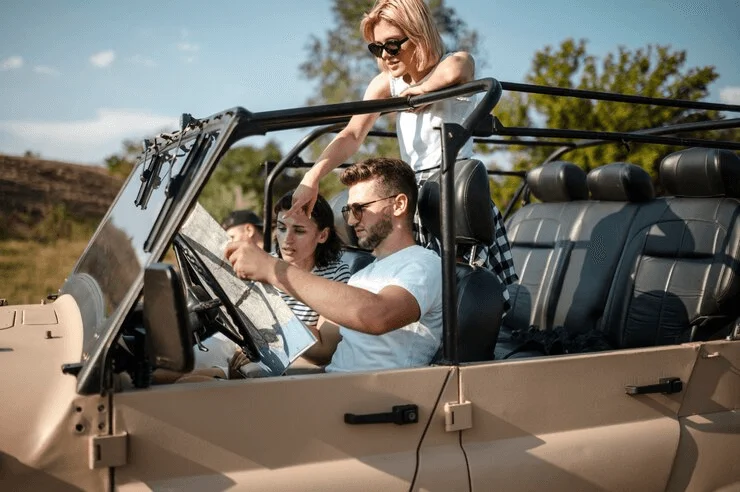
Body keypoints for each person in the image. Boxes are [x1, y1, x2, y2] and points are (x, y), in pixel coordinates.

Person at [286, 0, 517, 306]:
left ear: (419, 35)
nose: (385, 55)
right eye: (377, 47)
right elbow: (352, 134)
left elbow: (461, 65)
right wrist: (313, 176)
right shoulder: (387, 83)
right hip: (414, 196)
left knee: (472, 296)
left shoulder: (451, 67)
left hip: (454, 189)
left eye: (393, 45)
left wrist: (423, 90)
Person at [226, 157, 443, 373]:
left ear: (398, 205)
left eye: (360, 209)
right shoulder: (363, 275)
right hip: (336, 385)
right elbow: (323, 349)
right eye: (348, 211)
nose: (350, 221)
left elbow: (378, 315)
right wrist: (262, 327)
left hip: (378, 399)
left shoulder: (424, 264)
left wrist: (273, 270)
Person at [191, 191, 351, 379]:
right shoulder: (265, 262)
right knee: (166, 368)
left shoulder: (336, 274)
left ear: (322, 235)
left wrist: (263, 336)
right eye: (282, 228)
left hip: (285, 359)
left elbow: (324, 350)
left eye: (299, 230)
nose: (287, 239)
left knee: (191, 380)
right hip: (241, 344)